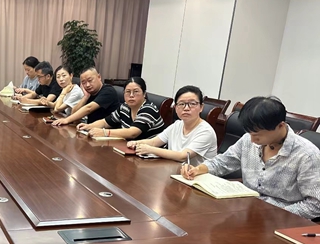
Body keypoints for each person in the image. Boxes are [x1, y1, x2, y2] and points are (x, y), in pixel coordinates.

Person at [181, 96, 320, 220]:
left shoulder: (307, 155)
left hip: (280, 221)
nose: (252, 140)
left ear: (280, 126)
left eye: (257, 135)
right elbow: (223, 162)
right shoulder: (248, 139)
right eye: (250, 134)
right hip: (245, 211)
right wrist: (198, 169)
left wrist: (276, 214)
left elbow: (315, 204)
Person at [127, 85, 217, 164]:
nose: (186, 108)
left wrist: (150, 149)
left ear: (201, 107)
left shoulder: (206, 131)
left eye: (192, 104)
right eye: (181, 104)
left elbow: (183, 156)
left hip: (195, 175)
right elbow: (154, 142)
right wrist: (135, 143)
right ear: (176, 108)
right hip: (174, 170)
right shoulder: (177, 125)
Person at [72, 76, 163, 140]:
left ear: (144, 94)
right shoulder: (125, 107)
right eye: (128, 92)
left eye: (136, 91)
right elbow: (105, 122)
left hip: (152, 155)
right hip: (131, 149)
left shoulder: (149, 109)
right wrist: (89, 126)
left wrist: (105, 133)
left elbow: (133, 133)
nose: (131, 95)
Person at [51, 67, 119, 126]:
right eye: (84, 82)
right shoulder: (89, 93)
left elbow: (89, 108)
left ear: (99, 77)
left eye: (90, 80)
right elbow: (73, 113)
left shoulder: (108, 91)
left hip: (107, 132)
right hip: (90, 128)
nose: (87, 85)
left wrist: (66, 120)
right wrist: (85, 97)